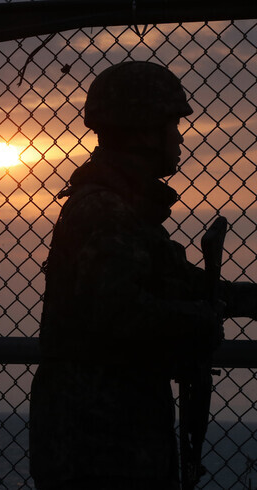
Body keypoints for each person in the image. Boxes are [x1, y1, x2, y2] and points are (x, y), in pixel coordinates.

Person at [29, 61, 257, 489]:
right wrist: (199, 321)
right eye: (172, 122)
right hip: (100, 444)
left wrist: (234, 302)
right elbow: (117, 313)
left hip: (113, 434)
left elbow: (185, 284)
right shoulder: (106, 209)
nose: (180, 135)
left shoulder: (127, 208)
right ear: (143, 130)